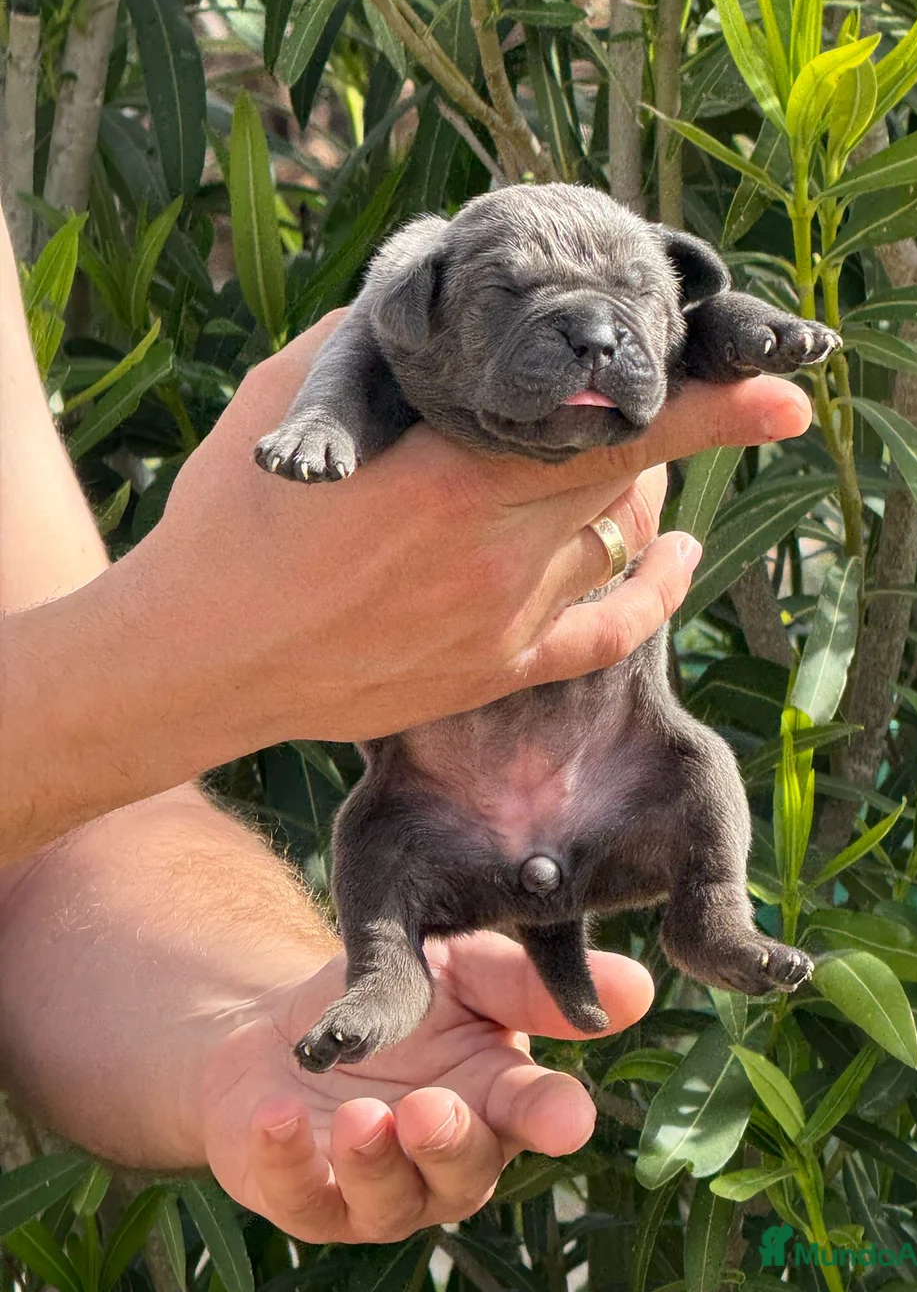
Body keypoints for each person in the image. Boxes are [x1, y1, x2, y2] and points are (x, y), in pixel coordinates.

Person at [0, 206, 811, 1242]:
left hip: (596, 763)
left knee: (689, 771)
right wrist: (201, 657)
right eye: (514, 296)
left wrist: (238, 1023)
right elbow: (96, 711)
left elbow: (55, 834)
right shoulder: (404, 313)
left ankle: (703, 917)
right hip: (444, 772)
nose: (593, 336)